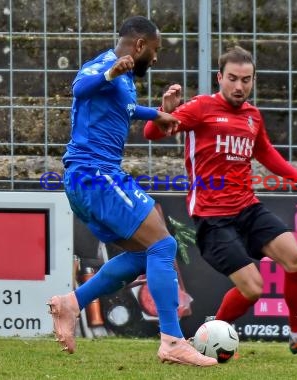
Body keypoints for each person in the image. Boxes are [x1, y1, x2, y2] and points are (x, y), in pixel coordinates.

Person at [144, 46, 297, 358]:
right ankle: (210, 336)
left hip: (248, 208)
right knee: (253, 288)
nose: (239, 86)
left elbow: (265, 152)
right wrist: (163, 111)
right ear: (219, 78)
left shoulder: (252, 116)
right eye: (232, 78)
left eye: (246, 80)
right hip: (212, 217)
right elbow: (152, 132)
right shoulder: (199, 108)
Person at [47, 16, 217, 366]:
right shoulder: (106, 66)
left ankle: (71, 303)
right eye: (154, 51)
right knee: (164, 243)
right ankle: (171, 339)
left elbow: (121, 108)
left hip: (87, 179)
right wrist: (110, 73)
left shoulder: (122, 80)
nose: (155, 59)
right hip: (96, 175)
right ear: (139, 45)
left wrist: (157, 114)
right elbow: (80, 88)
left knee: (146, 254)